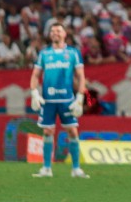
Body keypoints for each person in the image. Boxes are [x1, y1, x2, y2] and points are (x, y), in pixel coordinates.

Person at [29, 23, 89, 178]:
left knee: (72, 131)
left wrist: (80, 98)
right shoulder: (44, 54)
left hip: (67, 100)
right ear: (50, 35)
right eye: (53, 31)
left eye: (58, 30)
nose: (55, 33)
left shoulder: (73, 53)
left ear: (65, 34)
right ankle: (46, 168)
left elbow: (81, 77)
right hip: (48, 100)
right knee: (47, 131)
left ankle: (76, 169)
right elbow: (35, 75)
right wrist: (34, 93)